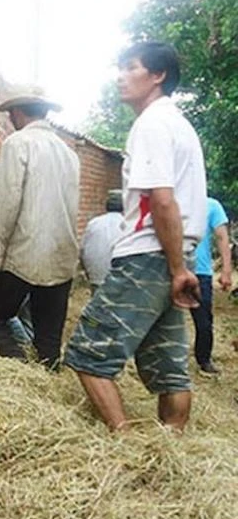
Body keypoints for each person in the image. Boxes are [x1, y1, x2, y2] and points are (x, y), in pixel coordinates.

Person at [64, 41, 207, 432]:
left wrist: (176, 269)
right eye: (120, 68)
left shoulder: (152, 124)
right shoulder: (179, 124)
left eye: (131, 68)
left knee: (88, 354)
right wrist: (180, 266)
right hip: (175, 255)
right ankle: (170, 447)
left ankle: (125, 444)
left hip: (149, 255)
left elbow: (162, 200)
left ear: (158, 75)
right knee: (169, 369)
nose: (121, 77)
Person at [0, 86, 80, 370]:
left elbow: (7, 200)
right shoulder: (69, 153)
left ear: (17, 112)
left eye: (11, 113)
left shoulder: (18, 143)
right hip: (62, 255)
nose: (10, 119)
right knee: (49, 338)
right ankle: (46, 380)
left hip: (25, 252)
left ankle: (20, 374)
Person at [190, 197, 232, 374]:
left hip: (200, 271)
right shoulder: (172, 200)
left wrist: (226, 270)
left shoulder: (212, 205)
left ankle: (204, 359)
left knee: (204, 321)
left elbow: (222, 236)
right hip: (171, 269)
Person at [80, 191, 124, 292]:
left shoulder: (93, 223)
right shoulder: (127, 224)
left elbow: (82, 251)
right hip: (120, 280)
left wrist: (88, 273)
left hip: (96, 278)